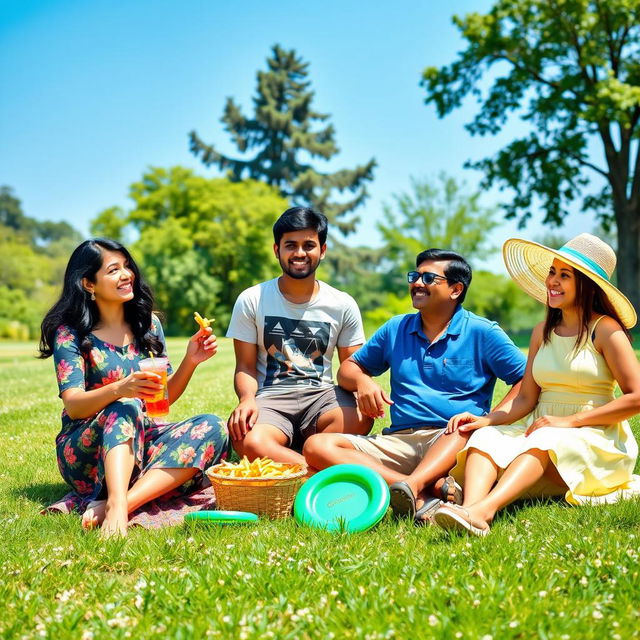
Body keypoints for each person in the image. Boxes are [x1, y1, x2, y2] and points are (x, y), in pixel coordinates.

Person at [432, 233, 640, 536]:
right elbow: (526, 398)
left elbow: (635, 398)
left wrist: (568, 422)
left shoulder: (605, 330)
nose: (553, 281)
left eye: (564, 275)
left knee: (547, 440)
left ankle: (485, 511)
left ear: (586, 284)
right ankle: (468, 511)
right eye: (552, 272)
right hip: (542, 423)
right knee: (486, 438)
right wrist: (485, 420)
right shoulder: (542, 330)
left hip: (595, 434)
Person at [303, 249, 527, 522]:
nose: (417, 283)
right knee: (317, 446)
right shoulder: (396, 328)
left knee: (463, 428)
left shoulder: (483, 332)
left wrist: (488, 419)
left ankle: (412, 486)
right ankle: (421, 491)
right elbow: (348, 369)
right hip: (399, 439)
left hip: (452, 440)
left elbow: (525, 380)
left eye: (429, 278)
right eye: (415, 276)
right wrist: (363, 381)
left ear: (456, 290)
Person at [39, 239, 229, 538]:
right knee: (124, 406)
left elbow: (162, 400)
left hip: (141, 436)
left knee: (214, 426)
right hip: (87, 449)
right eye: (114, 270)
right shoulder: (71, 332)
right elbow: (74, 405)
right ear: (89, 284)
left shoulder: (148, 324)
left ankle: (124, 503)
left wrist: (191, 361)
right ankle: (114, 504)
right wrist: (121, 389)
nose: (127, 274)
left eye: (127, 266)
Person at [226, 206, 371, 465]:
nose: (300, 253)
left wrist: (363, 385)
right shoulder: (252, 299)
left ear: (322, 250)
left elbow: (353, 366)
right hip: (270, 399)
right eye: (290, 245)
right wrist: (247, 399)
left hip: (322, 398)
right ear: (276, 250)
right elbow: (245, 366)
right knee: (248, 439)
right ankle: (316, 467)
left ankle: (288, 459)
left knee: (362, 417)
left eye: (309, 245)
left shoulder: (342, 303)